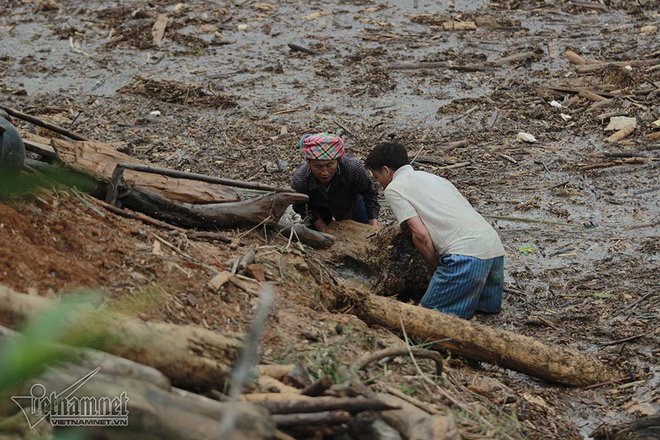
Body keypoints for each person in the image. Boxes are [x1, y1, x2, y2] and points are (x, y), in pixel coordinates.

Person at [365, 142, 505, 320]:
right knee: (485, 315)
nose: (379, 184)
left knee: (424, 320)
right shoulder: (436, 179)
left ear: (386, 170)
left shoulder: (395, 188)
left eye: (377, 177)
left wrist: (433, 268)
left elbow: (420, 234)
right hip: (493, 249)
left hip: (465, 258)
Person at [291, 132, 380, 232]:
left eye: (329, 165)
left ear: (338, 160)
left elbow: (370, 193)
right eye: (318, 166)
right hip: (318, 207)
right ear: (309, 163)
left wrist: (373, 223)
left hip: (351, 202)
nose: (324, 172)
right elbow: (300, 205)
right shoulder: (301, 179)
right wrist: (322, 228)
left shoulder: (353, 169)